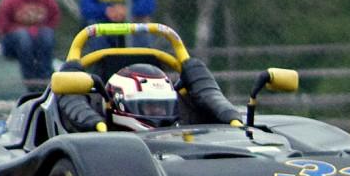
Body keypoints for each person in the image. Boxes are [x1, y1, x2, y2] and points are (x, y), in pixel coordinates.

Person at [57, 58, 242, 133]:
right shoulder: (93, 132)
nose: (159, 113)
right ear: (120, 105)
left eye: (164, 106)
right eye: (151, 106)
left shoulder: (184, 121)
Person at [0, 0, 61, 91]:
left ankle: (45, 78)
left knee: (47, 34)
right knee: (23, 36)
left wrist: (37, 31)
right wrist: (28, 31)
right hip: (14, 42)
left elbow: (54, 17)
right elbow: (3, 26)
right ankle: (31, 80)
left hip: (38, 39)